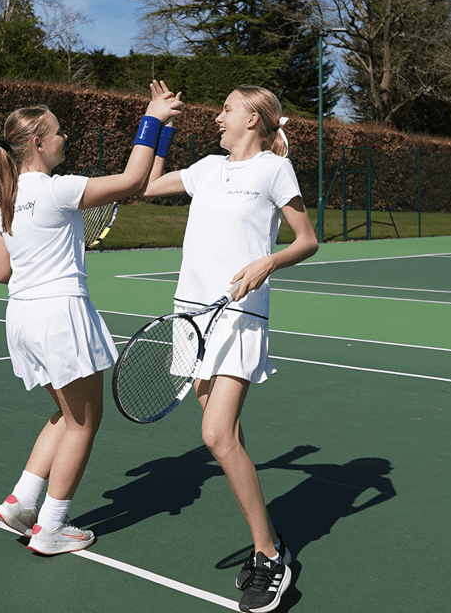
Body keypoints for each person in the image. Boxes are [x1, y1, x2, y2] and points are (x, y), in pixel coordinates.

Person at [142, 85, 318, 613]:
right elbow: (148, 186)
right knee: (229, 436)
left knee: (216, 434)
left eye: (227, 109)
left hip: (239, 316)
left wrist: (268, 262)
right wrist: (163, 124)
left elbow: (306, 239)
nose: (217, 117)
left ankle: (270, 557)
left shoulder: (273, 170)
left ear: (254, 120)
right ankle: (274, 543)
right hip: (190, 313)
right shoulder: (206, 168)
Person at [0, 83, 181, 555]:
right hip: (60, 315)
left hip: (22, 319)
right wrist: (153, 120)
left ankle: (22, 501)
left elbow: (1, 272)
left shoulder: (2, 203)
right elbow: (136, 181)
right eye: (58, 133)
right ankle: (52, 528)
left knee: (66, 414)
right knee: (83, 424)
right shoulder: (59, 190)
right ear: (36, 141)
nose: (65, 139)